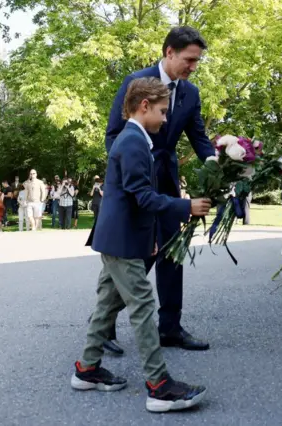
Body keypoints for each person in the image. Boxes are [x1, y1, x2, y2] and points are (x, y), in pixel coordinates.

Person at [74, 77, 210, 412]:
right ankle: (159, 386)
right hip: (121, 242)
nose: (166, 119)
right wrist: (185, 206)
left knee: (107, 305)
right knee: (144, 307)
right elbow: (144, 197)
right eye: (163, 112)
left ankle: (87, 370)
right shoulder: (133, 142)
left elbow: (133, 201)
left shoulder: (135, 139)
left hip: (119, 239)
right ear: (144, 106)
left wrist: (149, 238)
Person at [101, 26, 215, 352]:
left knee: (171, 254)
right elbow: (113, 136)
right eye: (189, 60)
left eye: (197, 61)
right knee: (133, 257)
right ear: (169, 52)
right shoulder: (136, 82)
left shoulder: (190, 93)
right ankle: (105, 328)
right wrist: (132, 175)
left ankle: (170, 328)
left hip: (168, 183)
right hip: (136, 185)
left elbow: (199, 139)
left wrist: (219, 165)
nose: (193, 67)